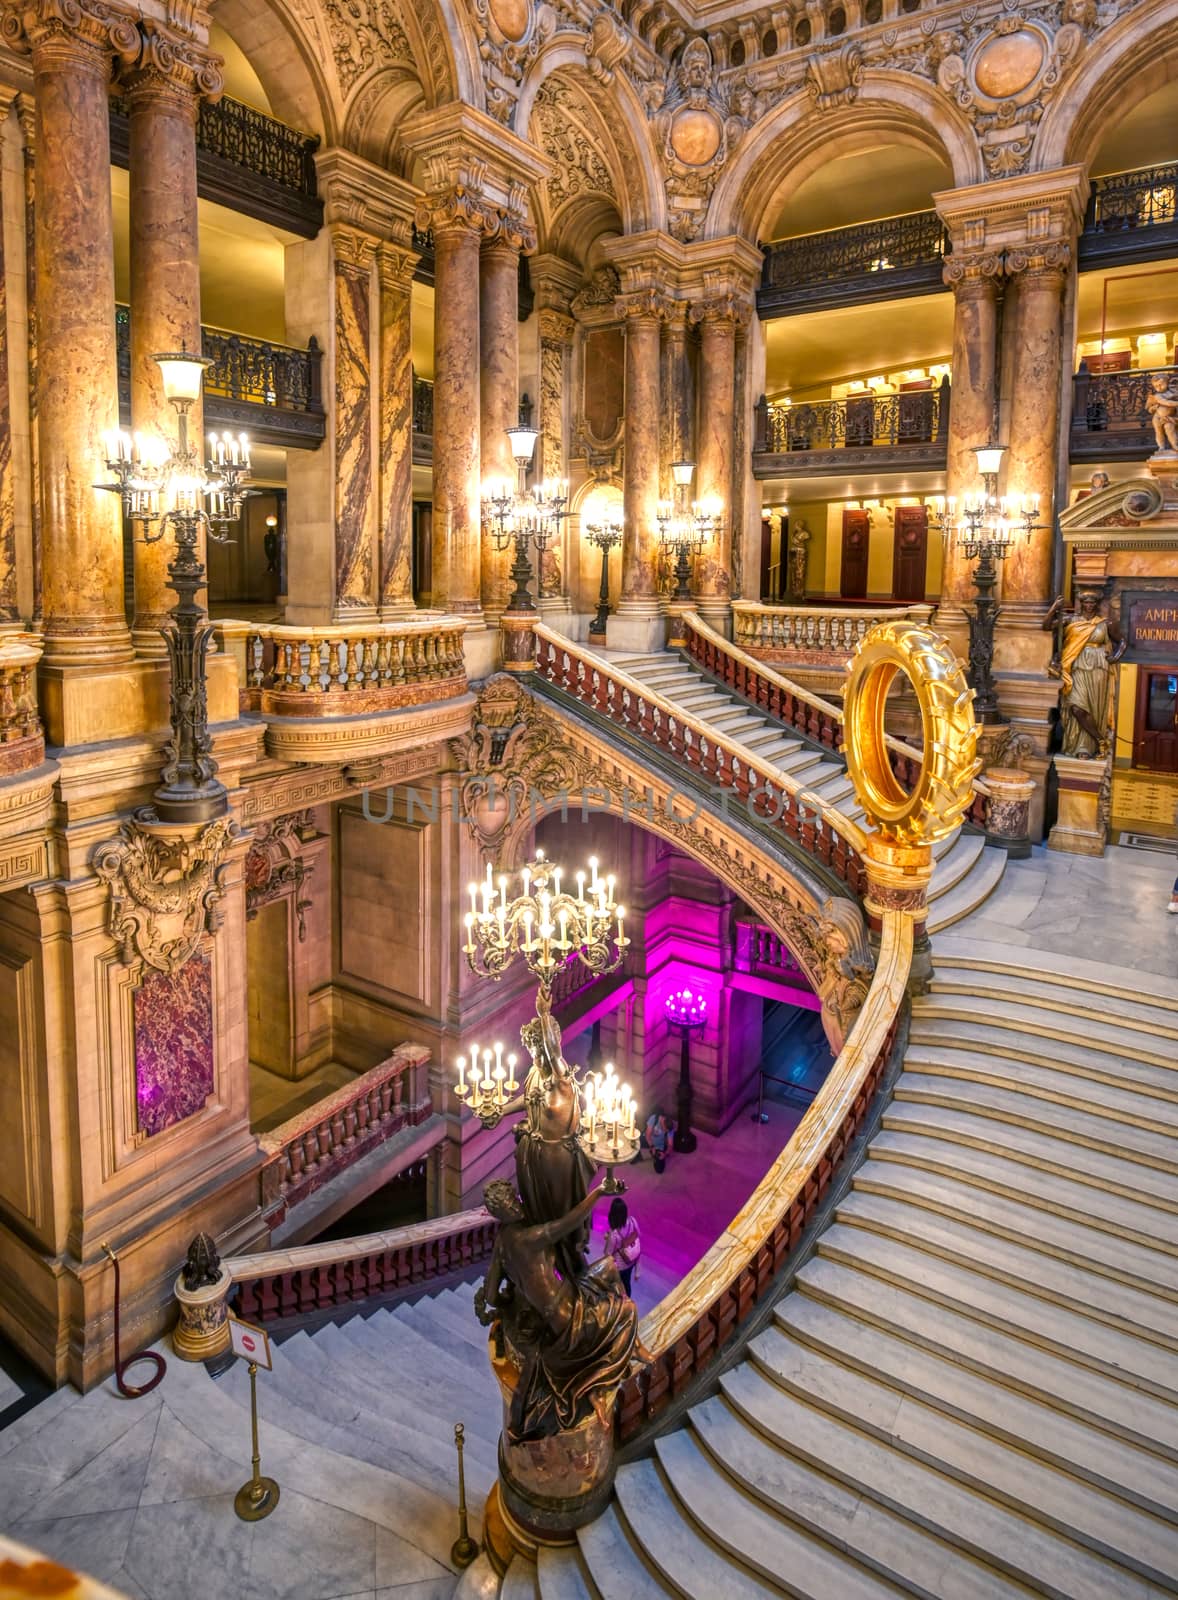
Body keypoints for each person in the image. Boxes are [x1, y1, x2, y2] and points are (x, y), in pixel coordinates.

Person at [479, 1177, 641, 1442]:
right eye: (510, 1204)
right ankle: (596, 1383)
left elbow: (490, 1294)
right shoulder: (529, 1237)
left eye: (514, 1198)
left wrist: (512, 1301)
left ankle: (630, 1347)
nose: (516, 1205)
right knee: (628, 1311)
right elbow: (570, 1221)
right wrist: (599, 1191)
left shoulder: (502, 1242)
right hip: (568, 1317)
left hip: (571, 1292)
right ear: (501, 1213)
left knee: (610, 1267)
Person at [1044, 591, 1125, 758]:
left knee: (1093, 708)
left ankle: (1086, 748)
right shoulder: (1071, 620)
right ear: (1081, 604)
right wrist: (1053, 609)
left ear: (1096, 605)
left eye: (1092, 603)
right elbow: (1046, 626)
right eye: (1086, 603)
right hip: (1075, 666)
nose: (1089, 606)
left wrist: (1115, 657)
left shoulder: (1105, 623)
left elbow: (1122, 642)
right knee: (1076, 707)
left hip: (1098, 669)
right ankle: (1101, 740)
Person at [603, 1197, 641, 1295]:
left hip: (619, 1267)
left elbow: (608, 1254)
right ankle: (628, 1302)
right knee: (627, 1284)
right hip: (630, 1261)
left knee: (615, 1288)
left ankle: (620, 1305)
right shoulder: (632, 1221)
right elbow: (638, 1235)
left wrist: (608, 1239)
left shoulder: (614, 1234)